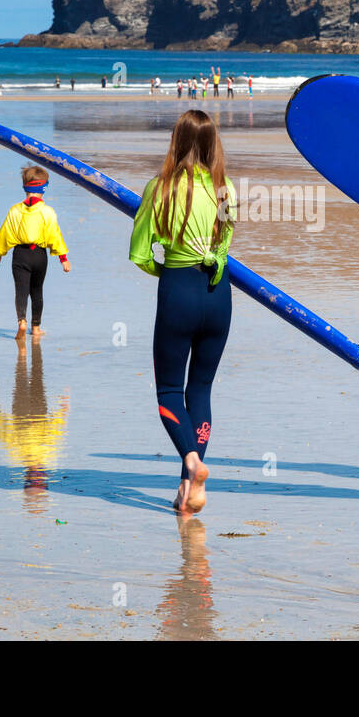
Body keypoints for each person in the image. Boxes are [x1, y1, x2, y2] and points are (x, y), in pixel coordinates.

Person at [129, 110, 237, 516]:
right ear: (212, 145)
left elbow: (140, 254)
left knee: (169, 392)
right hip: (219, 296)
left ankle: (192, 463)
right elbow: (224, 249)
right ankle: (187, 489)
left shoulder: (158, 188)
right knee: (202, 391)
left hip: (178, 292)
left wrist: (170, 268)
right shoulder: (225, 190)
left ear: (176, 141)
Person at [0, 166, 71, 338]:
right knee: (37, 291)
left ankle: (21, 321)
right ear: (43, 188)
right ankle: (35, 328)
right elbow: (54, 235)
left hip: (20, 255)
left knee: (21, 291)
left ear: (25, 187)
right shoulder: (47, 212)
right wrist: (63, 258)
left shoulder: (15, 210)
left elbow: (6, 232)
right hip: (39, 256)